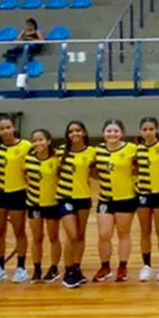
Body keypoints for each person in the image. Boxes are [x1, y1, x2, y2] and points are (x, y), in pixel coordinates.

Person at [92, 119, 139, 282]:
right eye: (109, 131)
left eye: (116, 131)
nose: (112, 134)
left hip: (126, 198)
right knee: (104, 234)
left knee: (123, 233)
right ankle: (105, 266)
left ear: (122, 134)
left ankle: (122, 267)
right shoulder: (97, 151)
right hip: (105, 198)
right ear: (103, 133)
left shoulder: (131, 149)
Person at [0, 115, 31, 282]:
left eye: (8, 127)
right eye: (1, 129)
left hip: (18, 192)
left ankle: (20, 267)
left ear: (14, 128)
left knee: (19, 230)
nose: (5, 131)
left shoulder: (26, 146)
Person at [57, 120, 96, 288]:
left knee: (80, 235)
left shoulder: (92, 152)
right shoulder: (59, 153)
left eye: (78, 130)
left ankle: (76, 267)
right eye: (71, 131)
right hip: (65, 197)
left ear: (84, 133)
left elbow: (96, 172)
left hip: (83, 196)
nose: (74, 134)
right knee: (71, 234)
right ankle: (68, 270)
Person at [135, 117, 159, 282]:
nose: (148, 132)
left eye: (151, 129)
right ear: (141, 131)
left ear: (156, 130)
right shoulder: (138, 149)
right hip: (143, 194)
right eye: (145, 129)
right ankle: (146, 266)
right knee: (145, 231)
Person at [24, 129, 62, 284]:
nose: (38, 143)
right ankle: (37, 268)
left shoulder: (57, 159)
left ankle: (54, 268)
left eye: (41, 140)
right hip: (34, 204)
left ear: (48, 141)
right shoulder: (27, 160)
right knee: (37, 238)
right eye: (35, 140)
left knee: (53, 237)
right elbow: (24, 177)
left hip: (52, 203)